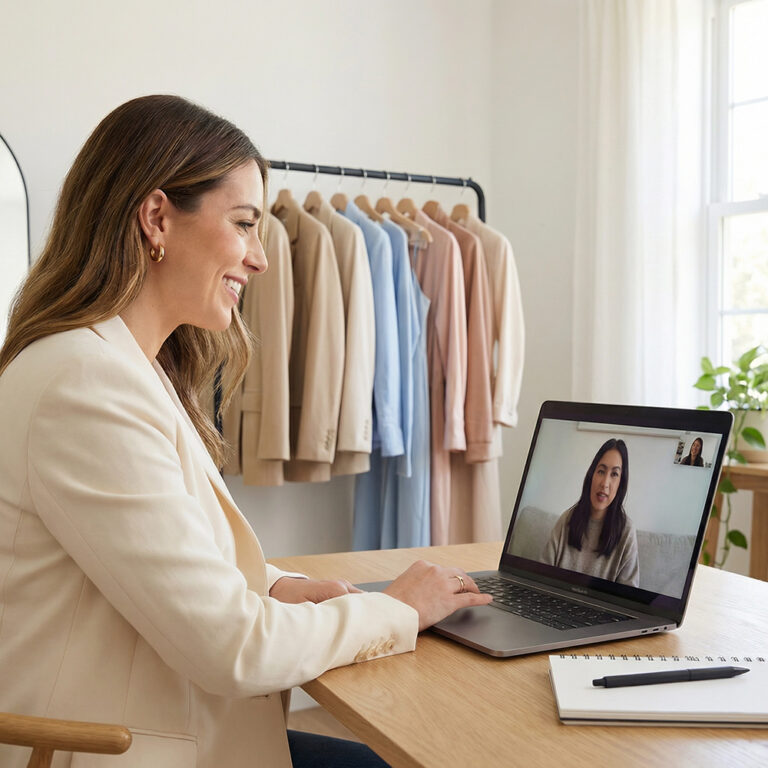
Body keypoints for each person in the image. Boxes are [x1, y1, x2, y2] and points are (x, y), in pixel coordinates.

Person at [0, 95, 491, 768]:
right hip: (125, 748)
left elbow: (170, 558)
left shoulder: (116, 367)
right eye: (243, 224)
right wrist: (398, 609)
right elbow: (232, 647)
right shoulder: (84, 385)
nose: (261, 258)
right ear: (156, 218)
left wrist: (276, 584)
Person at [541, 438, 639, 587]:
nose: (604, 483)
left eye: (614, 474)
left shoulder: (626, 532)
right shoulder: (567, 519)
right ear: (591, 475)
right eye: (601, 471)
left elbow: (629, 598)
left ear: (621, 483)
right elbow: (540, 576)